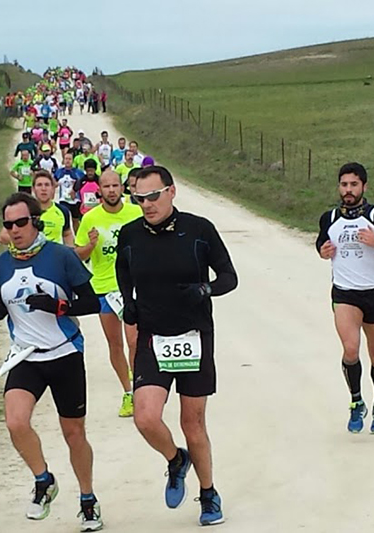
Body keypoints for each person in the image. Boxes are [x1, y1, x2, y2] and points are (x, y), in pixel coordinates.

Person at [116, 166, 237, 526]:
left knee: (192, 423)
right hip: (154, 335)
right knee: (145, 417)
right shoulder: (130, 234)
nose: (147, 205)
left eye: (154, 196)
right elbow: (124, 271)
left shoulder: (199, 230)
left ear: (171, 192)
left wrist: (206, 290)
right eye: (140, 199)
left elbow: (229, 277)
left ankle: (209, 493)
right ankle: (175, 459)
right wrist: (128, 301)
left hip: (194, 335)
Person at [0, 193, 103, 531]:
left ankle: (88, 500)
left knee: (73, 432)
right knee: (15, 422)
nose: (14, 230)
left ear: (35, 222)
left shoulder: (61, 256)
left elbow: (91, 303)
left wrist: (58, 307)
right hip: (26, 356)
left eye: (21, 223)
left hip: (64, 352)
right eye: (8, 225)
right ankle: (44, 480)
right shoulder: (1, 264)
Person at [315, 162, 374, 434]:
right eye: (344, 184)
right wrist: (322, 250)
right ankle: (356, 401)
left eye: (353, 185)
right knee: (351, 349)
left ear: (364, 187)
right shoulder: (329, 218)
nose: (348, 190)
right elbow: (322, 243)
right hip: (345, 294)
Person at [75, 170, 142, 417]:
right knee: (115, 343)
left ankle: (139, 385)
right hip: (104, 288)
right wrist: (90, 245)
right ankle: (128, 392)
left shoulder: (136, 213)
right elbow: (78, 255)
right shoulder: (90, 218)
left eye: (115, 185)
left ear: (122, 188)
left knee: (134, 341)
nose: (111, 190)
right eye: (107, 186)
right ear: (99, 190)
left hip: (133, 288)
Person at [0, 171, 74, 247]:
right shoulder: (24, 210)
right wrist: (28, 242)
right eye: (39, 185)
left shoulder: (63, 211)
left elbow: (67, 234)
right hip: (30, 256)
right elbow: (3, 237)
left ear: (52, 189)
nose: (43, 189)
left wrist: (70, 252)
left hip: (55, 256)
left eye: (47, 185)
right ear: (33, 189)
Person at [54, 152, 86, 233]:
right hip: (63, 200)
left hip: (75, 200)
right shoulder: (59, 172)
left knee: (75, 220)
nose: (68, 161)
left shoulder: (78, 172)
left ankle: (77, 236)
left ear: (72, 161)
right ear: (63, 160)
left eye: (69, 159)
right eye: (66, 159)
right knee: (63, 219)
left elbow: (84, 183)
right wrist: (56, 183)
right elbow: (53, 183)